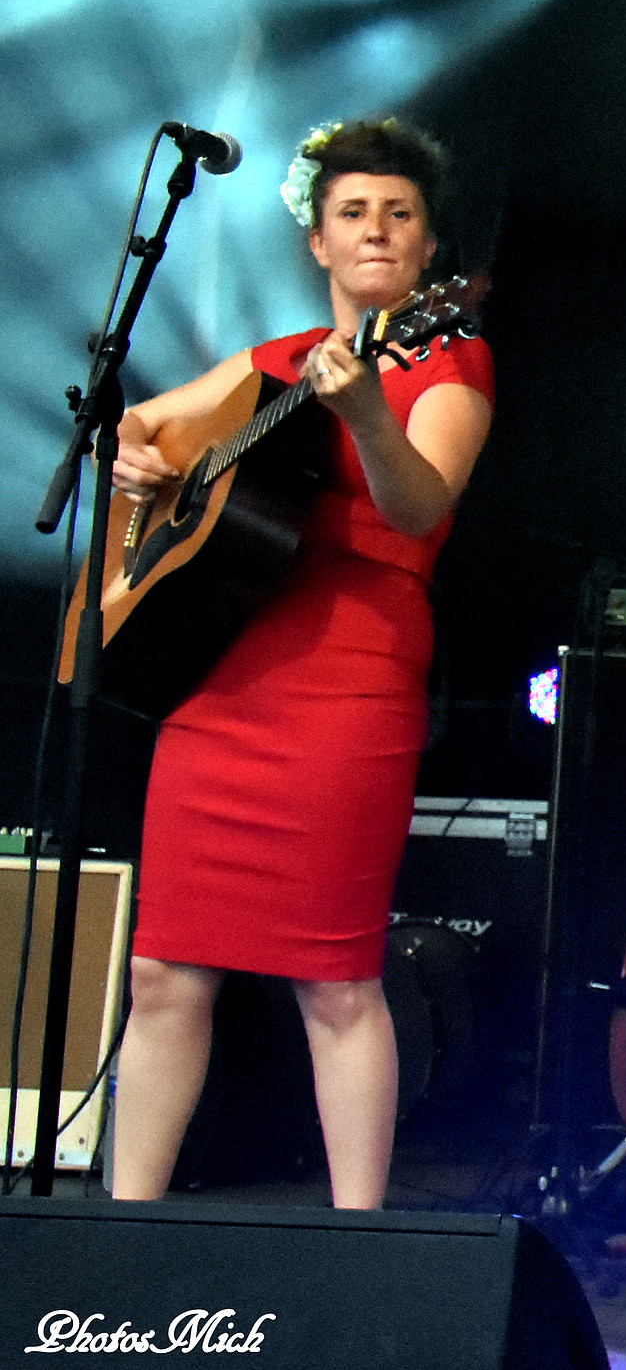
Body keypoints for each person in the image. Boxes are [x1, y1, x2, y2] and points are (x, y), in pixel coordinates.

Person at [107, 118, 494, 1208]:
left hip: (351, 684)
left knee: (333, 977)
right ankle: (124, 1225)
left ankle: (354, 1237)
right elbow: (144, 420)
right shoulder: (275, 363)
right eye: (353, 212)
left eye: (400, 214)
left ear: (425, 251)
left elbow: (420, 500)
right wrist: (140, 452)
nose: (376, 229)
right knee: (162, 968)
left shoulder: (446, 353)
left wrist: (368, 411)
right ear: (318, 243)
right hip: (222, 686)